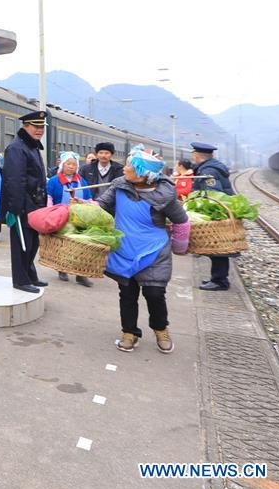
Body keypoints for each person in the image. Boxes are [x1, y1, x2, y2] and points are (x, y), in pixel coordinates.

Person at [94, 145, 190, 353]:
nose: (123, 168)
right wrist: (83, 207)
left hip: (153, 252)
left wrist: (179, 247)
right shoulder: (119, 186)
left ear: (142, 173)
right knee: (127, 294)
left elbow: (181, 221)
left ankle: (160, 329)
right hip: (124, 249)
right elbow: (101, 204)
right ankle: (129, 332)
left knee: (154, 294)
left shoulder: (164, 195)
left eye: (129, 166)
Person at [0, 111, 49, 294]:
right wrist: (16, 208)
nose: (39, 130)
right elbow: (14, 180)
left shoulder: (31, 146)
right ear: (25, 126)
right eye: (36, 126)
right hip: (23, 205)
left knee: (32, 243)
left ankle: (30, 275)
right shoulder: (17, 148)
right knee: (22, 244)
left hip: (35, 204)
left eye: (42, 127)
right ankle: (20, 280)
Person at [190, 142, 235, 291]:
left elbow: (213, 194)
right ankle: (217, 278)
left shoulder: (209, 171)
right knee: (217, 248)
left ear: (197, 155)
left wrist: (207, 212)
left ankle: (220, 281)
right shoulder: (212, 167)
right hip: (219, 212)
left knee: (217, 248)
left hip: (216, 214)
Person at [46, 151, 93, 287]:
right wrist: (50, 213)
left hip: (80, 219)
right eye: (68, 164)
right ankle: (62, 269)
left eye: (74, 164)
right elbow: (49, 198)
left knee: (82, 246)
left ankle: (81, 275)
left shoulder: (82, 181)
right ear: (62, 165)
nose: (71, 167)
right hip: (61, 218)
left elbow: (89, 199)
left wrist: (87, 204)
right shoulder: (54, 181)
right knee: (63, 245)